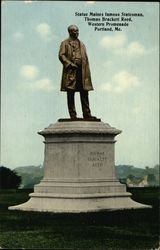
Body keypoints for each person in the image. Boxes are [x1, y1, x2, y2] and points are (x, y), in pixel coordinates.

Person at [59, 25, 96, 120]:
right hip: (71, 70)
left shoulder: (82, 44)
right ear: (70, 32)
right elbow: (61, 55)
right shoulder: (65, 43)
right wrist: (70, 64)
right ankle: (73, 115)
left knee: (84, 91)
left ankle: (87, 114)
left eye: (77, 31)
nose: (77, 32)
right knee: (70, 92)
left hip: (82, 71)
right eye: (74, 31)